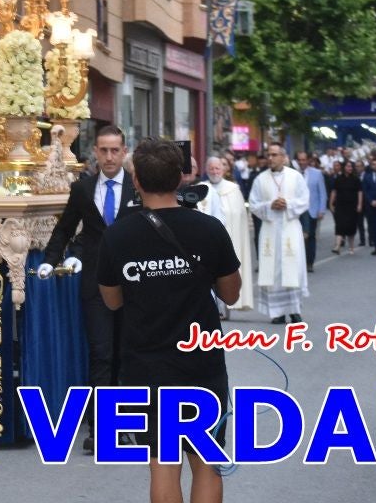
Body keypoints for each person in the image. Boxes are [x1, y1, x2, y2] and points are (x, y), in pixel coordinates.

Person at [98, 138, 241, 503]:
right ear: (181, 177)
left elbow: (111, 300)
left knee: (162, 461)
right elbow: (231, 294)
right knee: (206, 461)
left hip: (145, 364)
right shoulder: (209, 230)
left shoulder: (118, 236)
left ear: (137, 182)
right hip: (200, 362)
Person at [41, 125, 136, 454]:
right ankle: (100, 429)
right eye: (103, 150)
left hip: (135, 286)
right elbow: (64, 229)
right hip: (95, 283)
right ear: (95, 152)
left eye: (115, 150)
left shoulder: (138, 189)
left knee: (127, 355)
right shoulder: (82, 189)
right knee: (101, 354)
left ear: (124, 152)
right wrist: (50, 261)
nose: (109, 157)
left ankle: (126, 424)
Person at [249, 143, 309, 324]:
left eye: (274, 155)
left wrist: (288, 204)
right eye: (269, 155)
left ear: (283, 157)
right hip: (270, 230)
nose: (271, 158)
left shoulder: (295, 177)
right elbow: (253, 204)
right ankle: (277, 312)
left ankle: (295, 311)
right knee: (273, 271)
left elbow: (304, 200)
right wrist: (270, 206)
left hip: (290, 228)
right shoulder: (260, 179)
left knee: (293, 268)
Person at [196, 156, 254, 311]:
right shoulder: (201, 188)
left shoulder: (233, 189)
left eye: (217, 168)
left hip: (231, 237)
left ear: (223, 170)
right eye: (211, 169)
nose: (215, 171)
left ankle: (229, 303)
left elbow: (239, 215)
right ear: (206, 170)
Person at [296, 152, 327, 273]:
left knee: (311, 237)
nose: (302, 162)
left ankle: (310, 262)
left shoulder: (317, 173)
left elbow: (322, 193)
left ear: (308, 160)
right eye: (300, 160)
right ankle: (299, 262)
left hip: (312, 210)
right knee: (298, 237)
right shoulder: (294, 174)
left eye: (304, 160)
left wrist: (321, 210)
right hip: (298, 211)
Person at [330, 159, 363, 255]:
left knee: (351, 227)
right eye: (348, 166)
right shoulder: (338, 179)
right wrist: (331, 203)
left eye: (351, 166)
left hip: (352, 206)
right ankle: (337, 246)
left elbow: (360, 192)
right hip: (340, 205)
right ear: (344, 167)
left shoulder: (356, 179)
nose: (350, 168)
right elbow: (334, 191)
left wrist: (359, 204)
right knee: (339, 225)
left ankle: (351, 247)